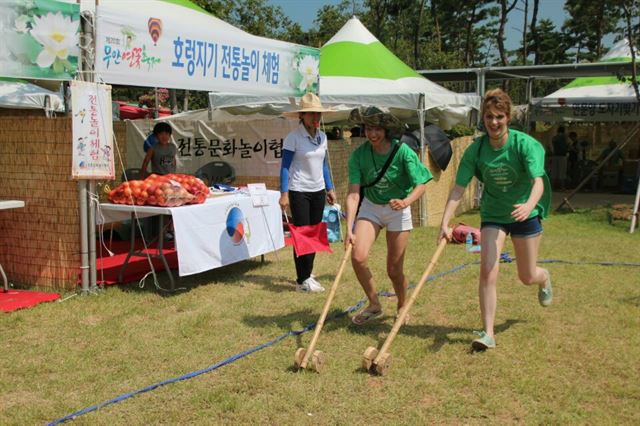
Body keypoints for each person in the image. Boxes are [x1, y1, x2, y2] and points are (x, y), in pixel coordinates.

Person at [437, 88, 553, 351]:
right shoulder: (476, 150)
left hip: (526, 214)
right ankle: (488, 333)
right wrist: (445, 222)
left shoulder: (525, 145)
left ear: (508, 117)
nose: (494, 122)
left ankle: (544, 277)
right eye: (489, 116)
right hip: (493, 215)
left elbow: (538, 183)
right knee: (488, 270)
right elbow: (458, 188)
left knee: (526, 275)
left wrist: (528, 205)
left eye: (499, 116)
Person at [345, 107, 433, 325]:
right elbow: (354, 194)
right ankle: (374, 304)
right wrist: (348, 228)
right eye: (368, 128)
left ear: (386, 130)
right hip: (371, 207)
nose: (372, 134)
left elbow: (420, 185)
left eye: (376, 129)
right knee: (358, 256)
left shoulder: (403, 151)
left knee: (394, 269)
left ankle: (402, 304)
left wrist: (405, 202)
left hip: (398, 209)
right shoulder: (359, 155)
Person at [280, 93, 337, 293]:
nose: (315, 117)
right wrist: (284, 193)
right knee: (302, 235)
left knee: (314, 234)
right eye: (311, 114)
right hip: (299, 191)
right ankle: (302, 279)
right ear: (301, 116)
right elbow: (285, 167)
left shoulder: (322, 137)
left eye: (318, 114)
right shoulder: (293, 138)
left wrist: (329, 188)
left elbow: (323, 166)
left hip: (318, 191)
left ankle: (308, 273)